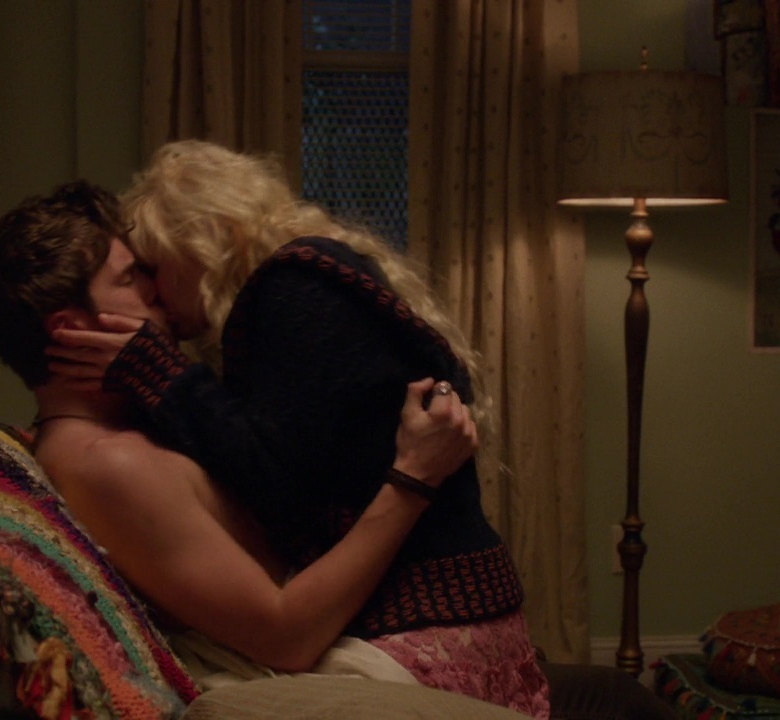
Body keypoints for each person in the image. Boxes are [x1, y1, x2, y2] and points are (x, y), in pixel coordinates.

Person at [47, 140, 676, 719]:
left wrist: (160, 374)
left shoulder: (291, 289)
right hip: (455, 604)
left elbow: (278, 484)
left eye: (154, 267)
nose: (154, 293)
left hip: (426, 617)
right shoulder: (302, 282)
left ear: (198, 247)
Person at [0, 180, 479, 683]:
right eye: (128, 278)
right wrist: (413, 478)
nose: (154, 288)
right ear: (73, 330)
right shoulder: (108, 462)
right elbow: (286, 636)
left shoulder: (136, 424)